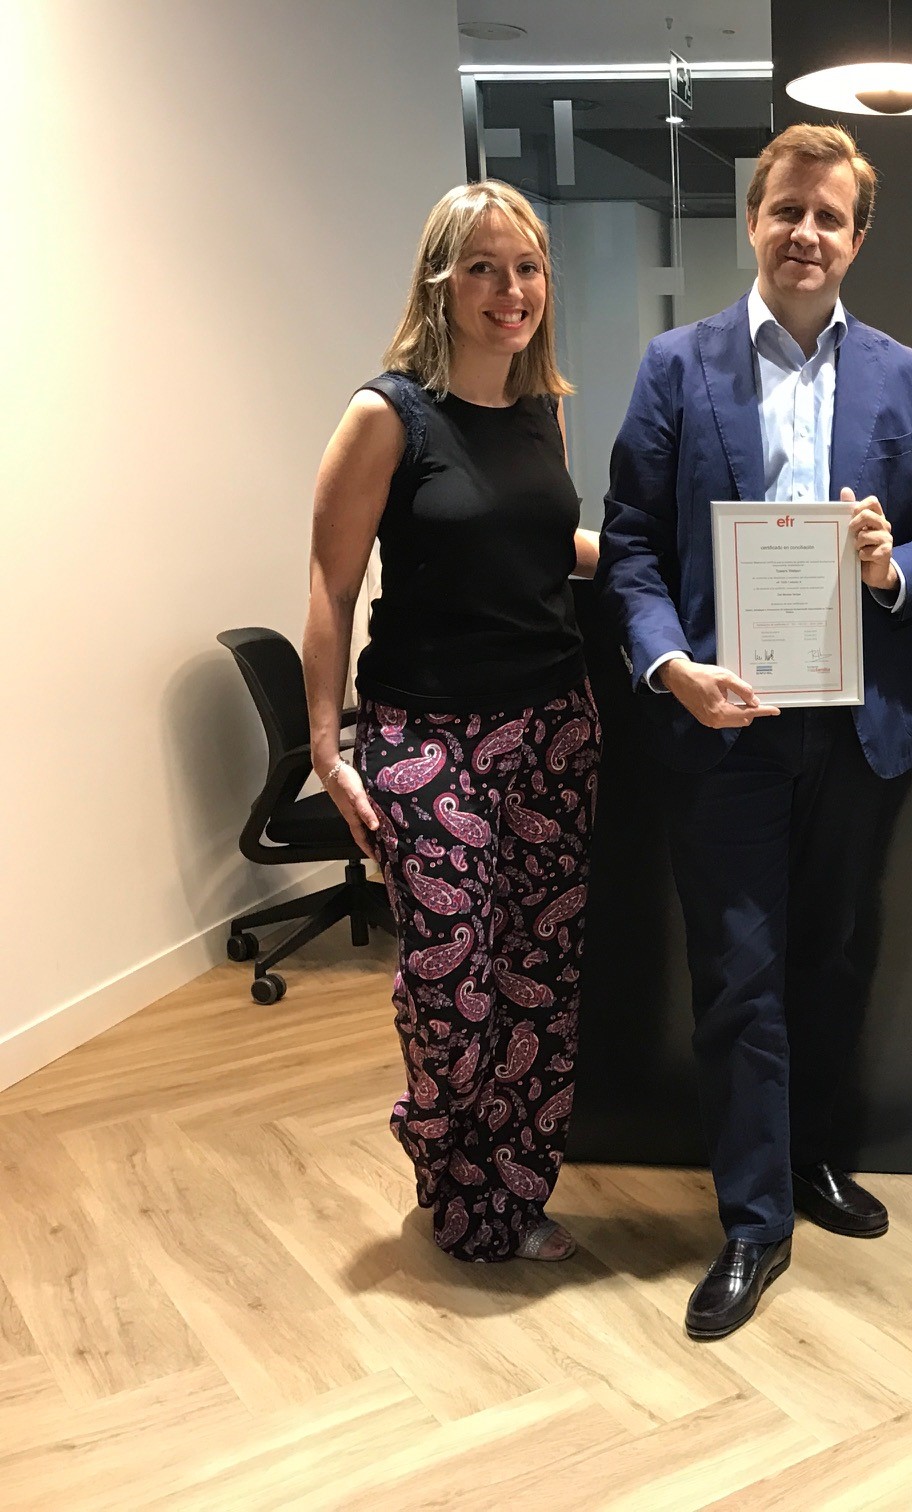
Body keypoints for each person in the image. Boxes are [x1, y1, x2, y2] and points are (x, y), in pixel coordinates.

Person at [598, 123, 912, 1340]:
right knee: (739, 975)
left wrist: (890, 565)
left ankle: (810, 1156)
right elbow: (630, 544)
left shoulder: (907, 376)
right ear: (753, 221)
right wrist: (670, 665)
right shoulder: (678, 365)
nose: (807, 233)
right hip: (726, 728)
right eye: (788, 211)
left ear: (857, 237)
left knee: (831, 959)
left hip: (859, 730)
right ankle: (754, 1221)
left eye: (830, 216)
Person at [303, 181, 602, 1264]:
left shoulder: (541, 409)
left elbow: (542, 541)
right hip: (427, 738)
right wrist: (326, 745)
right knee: (450, 987)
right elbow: (331, 585)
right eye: (482, 267)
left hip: (555, 727)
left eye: (526, 268)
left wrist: (673, 555)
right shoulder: (388, 415)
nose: (508, 290)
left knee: (540, 980)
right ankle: (449, 1164)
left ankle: (513, 1196)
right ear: (441, 281)